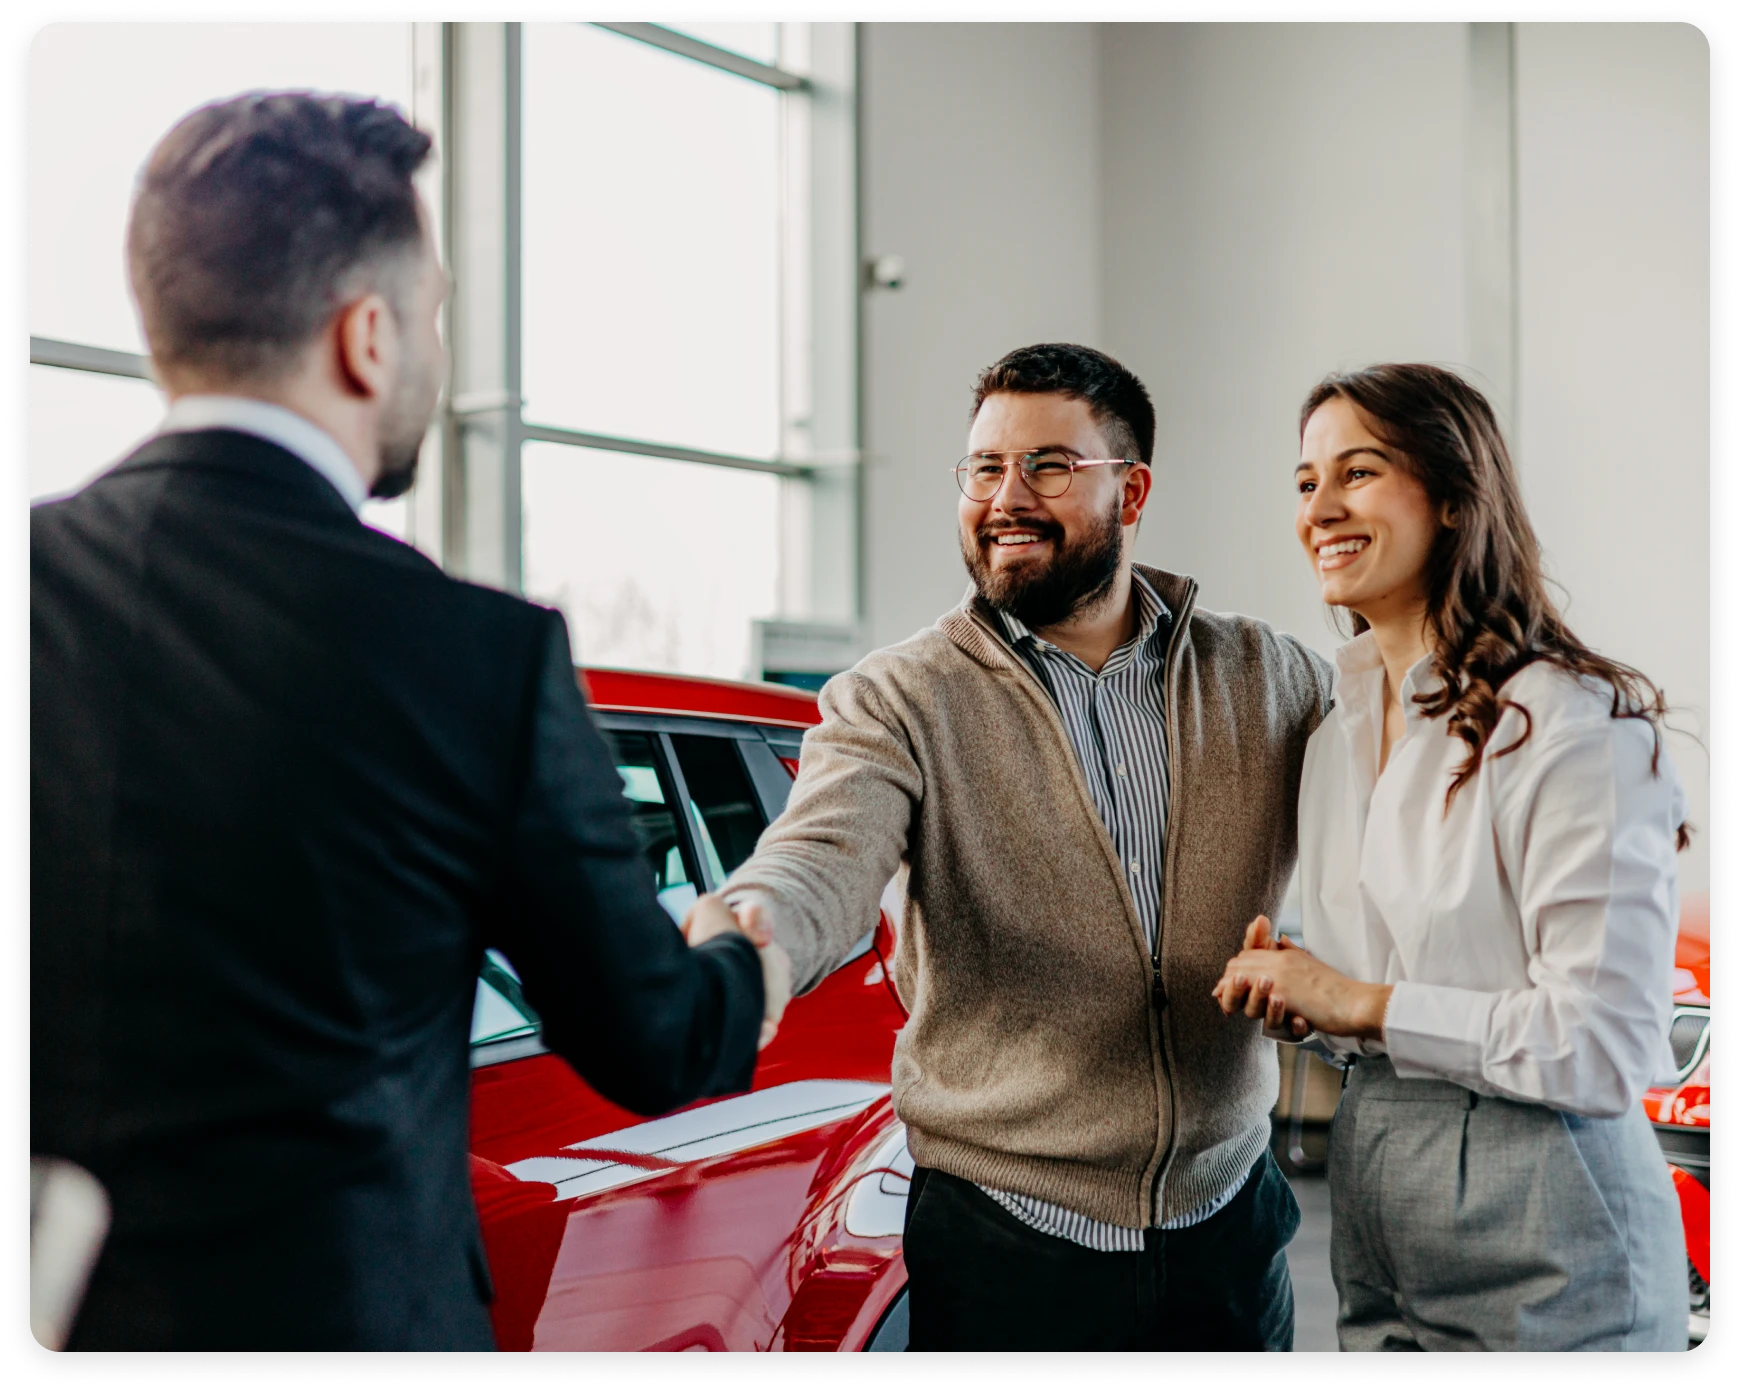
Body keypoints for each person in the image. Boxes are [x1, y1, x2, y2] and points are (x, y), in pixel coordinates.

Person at [29, 93, 790, 1353]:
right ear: (367, 336)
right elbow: (660, 1044)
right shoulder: (473, 657)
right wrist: (742, 952)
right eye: (435, 310)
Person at [708, 343, 1335, 1352]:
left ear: (1131, 491)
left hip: (1229, 1230)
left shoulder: (1270, 677)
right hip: (1010, 1246)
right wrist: (752, 934)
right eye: (986, 467)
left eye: (1048, 465)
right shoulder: (899, 698)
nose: (1006, 497)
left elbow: (1406, 815)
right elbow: (820, 854)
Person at [1213, 363, 1689, 1351]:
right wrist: (1314, 998)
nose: (1320, 508)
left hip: (1548, 1194)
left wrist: (1363, 1002)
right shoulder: (1333, 729)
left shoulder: (1565, 720)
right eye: (1305, 482)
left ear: (1455, 498)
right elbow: (1393, 988)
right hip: (1379, 1169)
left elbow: (1603, 1044)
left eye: (1358, 473)